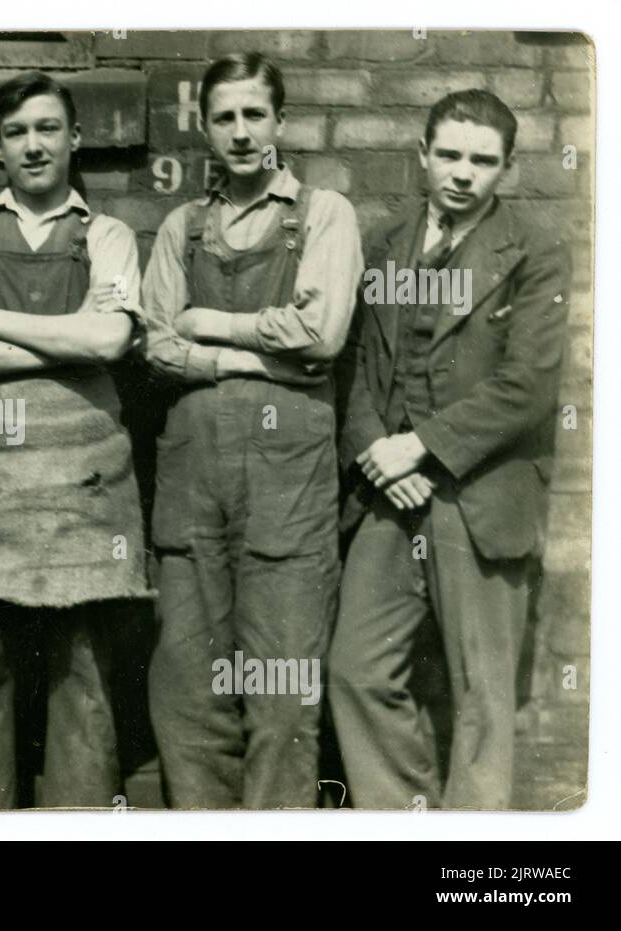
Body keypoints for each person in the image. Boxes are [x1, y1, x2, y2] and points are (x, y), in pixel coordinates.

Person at [329, 89, 571, 810]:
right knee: (355, 669)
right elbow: (361, 369)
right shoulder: (388, 244)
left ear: (506, 168)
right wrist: (378, 450)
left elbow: (527, 386)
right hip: (391, 497)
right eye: (451, 155)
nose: (463, 173)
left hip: (480, 496)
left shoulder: (534, 252)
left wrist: (423, 448)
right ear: (423, 155)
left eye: (483, 161)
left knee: (482, 696)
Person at [0, 71, 152, 809]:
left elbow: (112, 338)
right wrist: (63, 343)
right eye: (17, 132)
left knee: (80, 667)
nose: (34, 145)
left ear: (74, 138)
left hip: (82, 480)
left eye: (48, 128)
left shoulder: (108, 235)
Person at [141, 52, 364, 809]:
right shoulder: (182, 226)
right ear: (204, 126)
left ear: (280, 120)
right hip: (193, 480)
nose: (240, 132)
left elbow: (322, 334)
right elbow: (157, 345)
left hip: (287, 488)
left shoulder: (324, 213)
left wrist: (212, 324)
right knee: (187, 691)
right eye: (224, 117)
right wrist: (262, 364)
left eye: (254, 115)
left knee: (282, 692)